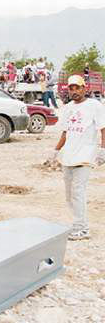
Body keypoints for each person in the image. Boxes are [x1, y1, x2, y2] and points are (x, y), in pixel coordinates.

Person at [48, 75, 105, 240]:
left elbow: (103, 128)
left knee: (78, 191)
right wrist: (55, 151)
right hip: (69, 156)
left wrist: (103, 150)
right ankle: (77, 222)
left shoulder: (94, 105)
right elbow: (65, 132)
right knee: (69, 193)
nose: (74, 91)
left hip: (85, 155)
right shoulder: (67, 108)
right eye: (71, 88)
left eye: (77, 87)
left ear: (84, 88)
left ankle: (82, 227)